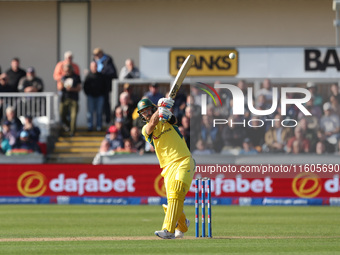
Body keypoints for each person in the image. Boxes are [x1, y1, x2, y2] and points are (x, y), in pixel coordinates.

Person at [137, 97, 195, 239]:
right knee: (172, 201)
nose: (146, 114)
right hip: (167, 167)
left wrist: (164, 111)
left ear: (153, 107)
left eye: (148, 110)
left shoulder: (166, 119)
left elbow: (174, 120)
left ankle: (168, 230)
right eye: (143, 112)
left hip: (184, 160)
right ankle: (181, 224)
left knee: (176, 193)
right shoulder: (145, 129)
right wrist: (159, 110)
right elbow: (151, 124)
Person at [93, 47, 118, 124]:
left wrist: (102, 72)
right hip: (98, 87)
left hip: (105, 86)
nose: (96, 56)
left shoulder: (107, 60)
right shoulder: (95, 61)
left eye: (97, 54)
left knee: (106, 103)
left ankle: (108, 119)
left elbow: (112, 72)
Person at [59, 64, 82, 136]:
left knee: (73, 116)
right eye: (65, 71)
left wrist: (72, 89)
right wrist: (62, 85)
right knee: (62, 114)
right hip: (64, 98)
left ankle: (72, 131)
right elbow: (59, 88)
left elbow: (79, 88)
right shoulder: (63, 77)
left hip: (73, 99)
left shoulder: (76, 77)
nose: (67, 72)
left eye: (68, 70)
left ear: (71, 70)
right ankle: (68, 125)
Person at [83, 61, 106, 131]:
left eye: (95, 66)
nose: (94, 68)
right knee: (90, 113)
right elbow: (85, 86)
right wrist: (88, 93)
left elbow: (105, 86)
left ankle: (99, 127)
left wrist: (102, 93)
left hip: (100, 97)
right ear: (90, 67)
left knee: (99, 112)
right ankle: (90, 127)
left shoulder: (101, 76)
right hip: (91, 97)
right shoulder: (88, 76)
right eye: (93, 66)